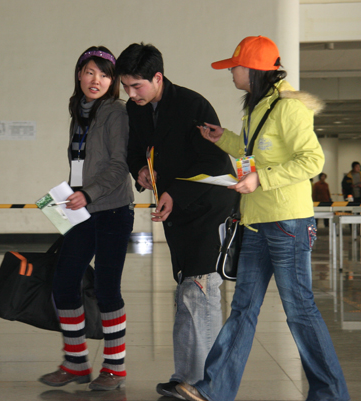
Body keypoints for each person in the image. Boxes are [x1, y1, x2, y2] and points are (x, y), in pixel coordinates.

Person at [176, 36, 350, 401]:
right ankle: (214, 390)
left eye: (235, 67)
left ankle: (332, 394)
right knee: (243, 308)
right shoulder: (257, 108)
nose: (231, 73)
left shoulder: (289, 108)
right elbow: (254, 152)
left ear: (253, 70)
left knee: (300, 311)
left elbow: (312, 160)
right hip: (255, 223)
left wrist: (261, 179)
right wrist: (223, 138)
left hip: (288, 224)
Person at [115, 43, 236, 400]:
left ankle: (205, 385)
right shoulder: (136, 110)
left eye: (137, 86)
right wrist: (140, 170)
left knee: (202, 291)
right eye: (126, 87)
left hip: (208, 207)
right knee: (186, 292)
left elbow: (214, 163)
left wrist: (175, 193)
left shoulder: (192, 105)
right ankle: (185, 377)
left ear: (157, 77)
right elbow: (134, 151)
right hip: (177, 211)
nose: (131, 94)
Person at [38, 46, 134, 391]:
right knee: (64, 283)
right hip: (81, 209)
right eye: (90, 72)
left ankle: (115, 367)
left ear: (113, 81)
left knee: (107, 289)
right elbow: (81, 163)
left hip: (112, 210)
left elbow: (119, 165)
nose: (97, 80)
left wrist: (89, 192)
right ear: (79, 74)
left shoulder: (116, 112)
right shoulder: (78, 111)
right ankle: (76, 363)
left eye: (105, 75)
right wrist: (73, 195)